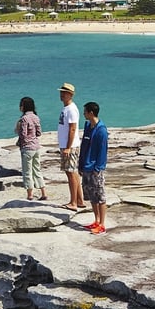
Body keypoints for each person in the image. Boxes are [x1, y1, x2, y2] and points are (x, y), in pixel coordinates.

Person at [77, 101, 109, 234]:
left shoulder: (101, 130)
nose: (83, 113)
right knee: (91, 196)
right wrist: (80, 163)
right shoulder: (88, 126)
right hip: (86, 166)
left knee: (100, 196)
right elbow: (84, 145)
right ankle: (96, 220)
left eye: (85, 111)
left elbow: (103, 150)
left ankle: (102, 224)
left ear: (91, 113)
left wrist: (98, 168)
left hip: (95, 168)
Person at [57, 82, 84, 211]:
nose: (61, 94)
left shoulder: (71, 109)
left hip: (70, 146)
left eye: (64, 93)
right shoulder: (66, 108)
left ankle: (73, 202)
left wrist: (68, 147)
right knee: (72, 172)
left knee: (71, 172)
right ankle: (79, 200)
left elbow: (72, 129)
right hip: (66, 145)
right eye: (61, 92)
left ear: (70, 94)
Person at [15, 96, 46, 201]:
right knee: (37, 170)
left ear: (23, 106)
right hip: (36, 147)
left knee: (27, 172)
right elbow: (39, 133)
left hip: (27, 148)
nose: (20, 107)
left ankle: (30, 195)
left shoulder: (24, 119)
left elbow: (23, 134)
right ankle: (43, 192)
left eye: (21, 105)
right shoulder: (36, 117)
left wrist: (18, 131)